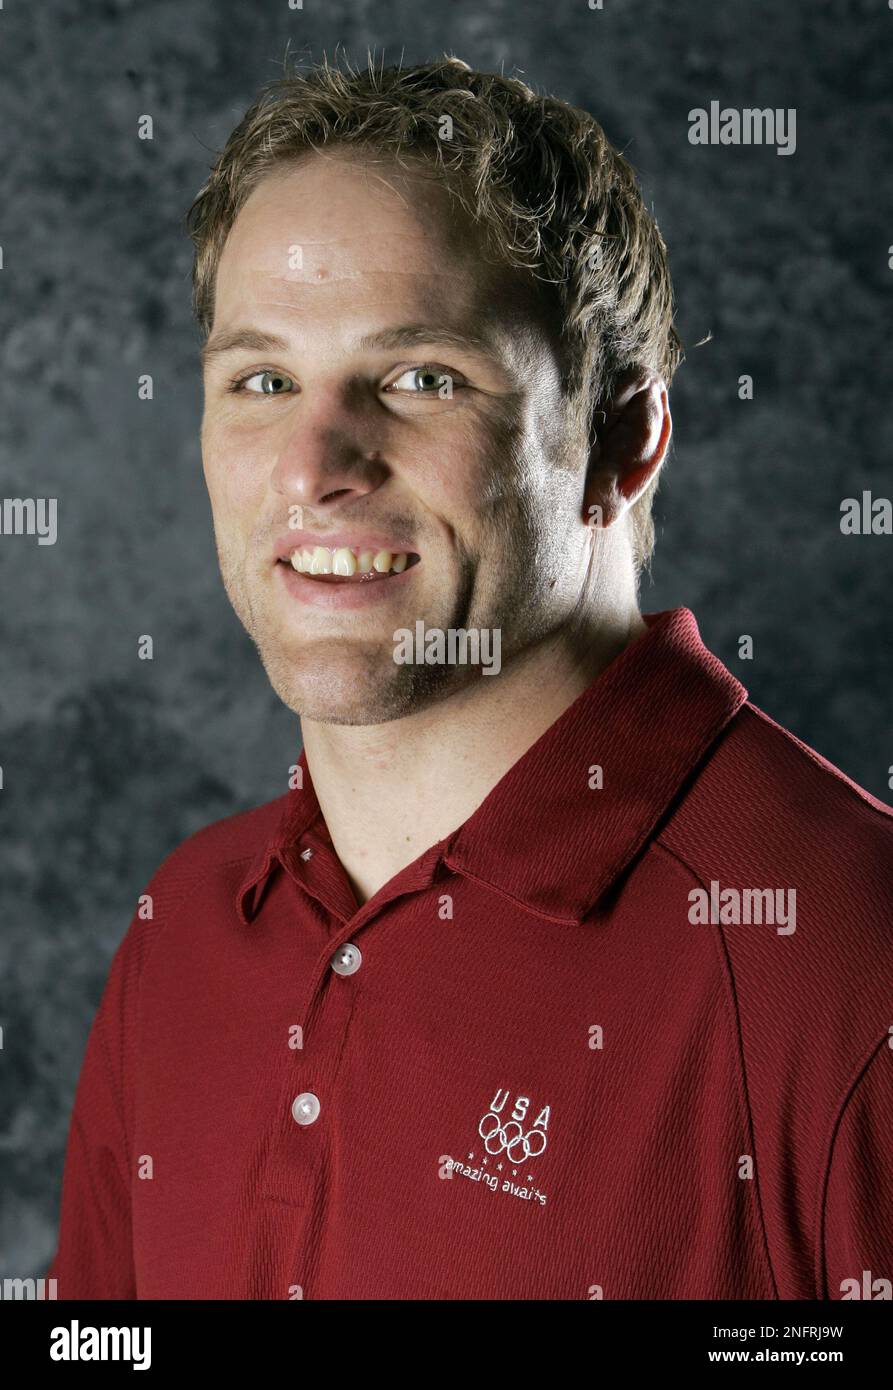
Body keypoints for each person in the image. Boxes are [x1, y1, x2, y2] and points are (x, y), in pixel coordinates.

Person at [46, 55, 893, 1300]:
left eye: (421, 377)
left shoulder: (842, 963)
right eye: (263, 380)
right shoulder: (183, 933)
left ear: (621, 440)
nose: (313, 464)